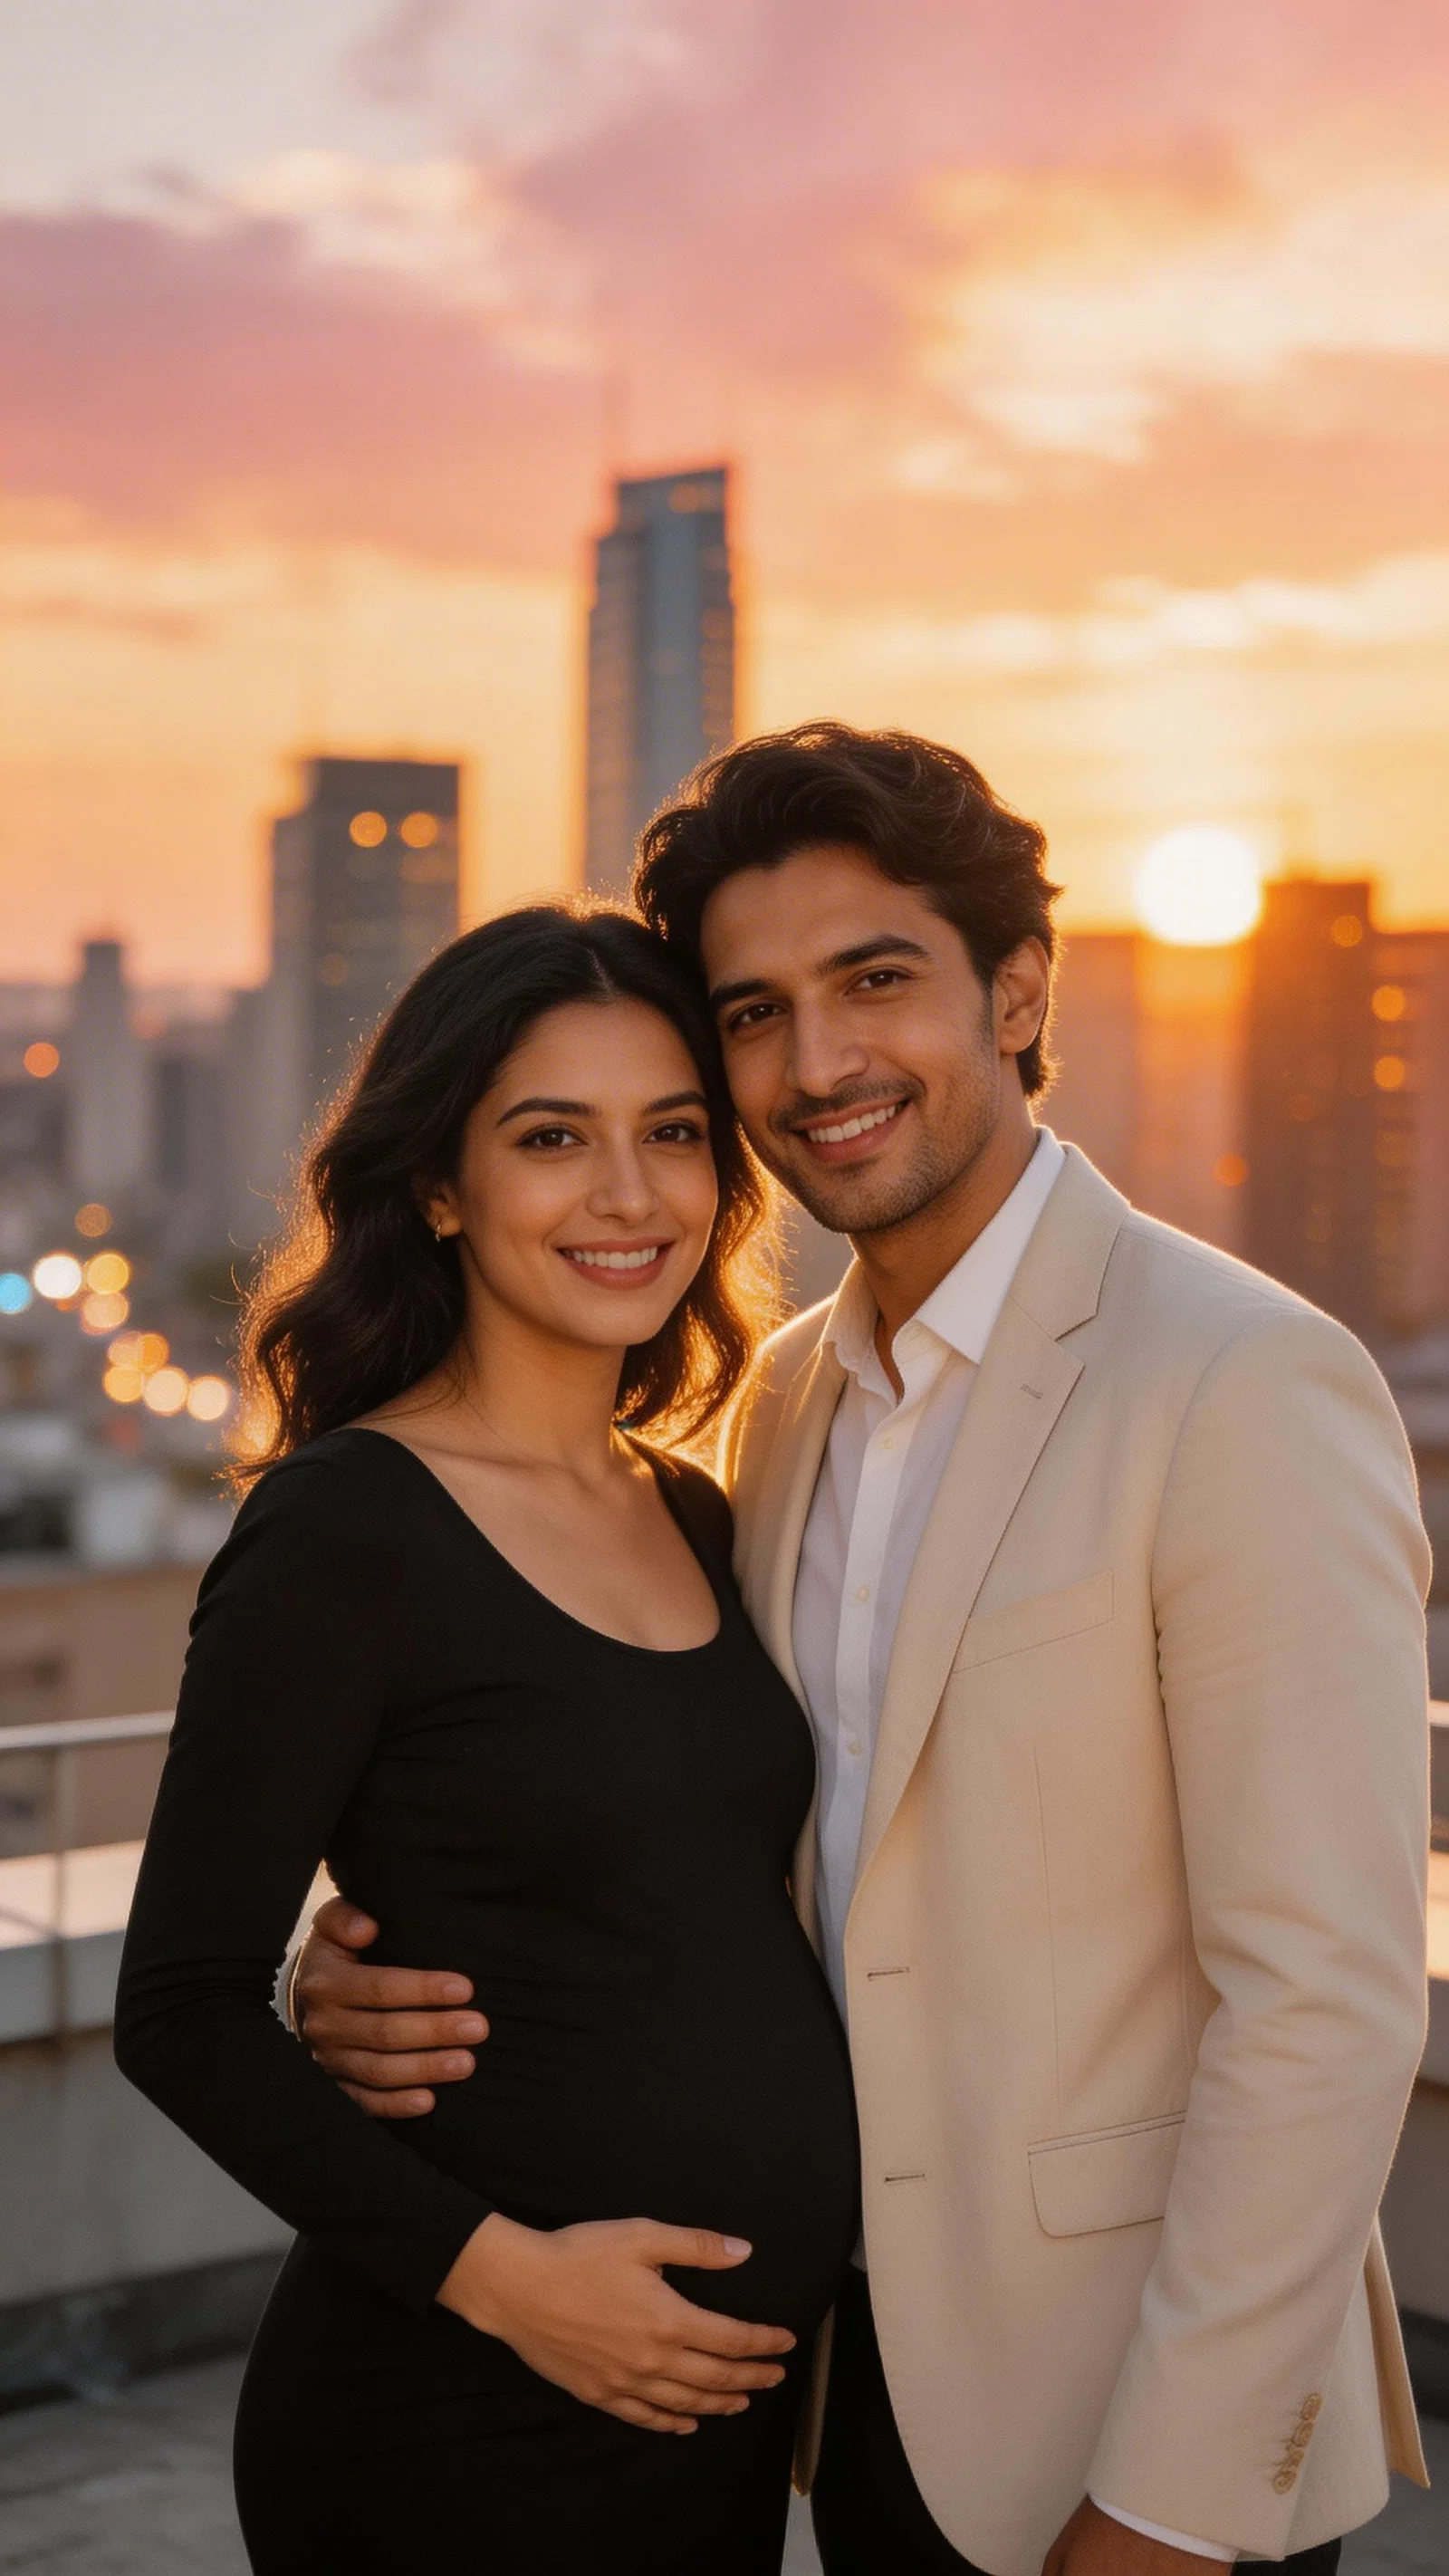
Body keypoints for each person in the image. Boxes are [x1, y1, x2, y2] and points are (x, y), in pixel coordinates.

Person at [287, 728, 1432, 2576]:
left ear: (1016, 987)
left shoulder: (1236, 1379)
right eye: (752, 1013)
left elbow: (1323, 1999)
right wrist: (346, 1965)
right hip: (849, 2399)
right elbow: (698, 1824)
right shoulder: (783, 1400)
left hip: (1125, 2433)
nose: (815, 1066)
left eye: (873, 982)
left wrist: (1163, 2506)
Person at [113, 903, 859, 2576]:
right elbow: (176, 2010)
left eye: (673, 1134)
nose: (628, 1195)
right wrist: (519, 2289)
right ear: (441, 1187)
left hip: (701, 2423)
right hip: (458, 2412)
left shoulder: (692, 1506)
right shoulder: (344, 1528)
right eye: (551, 1138)